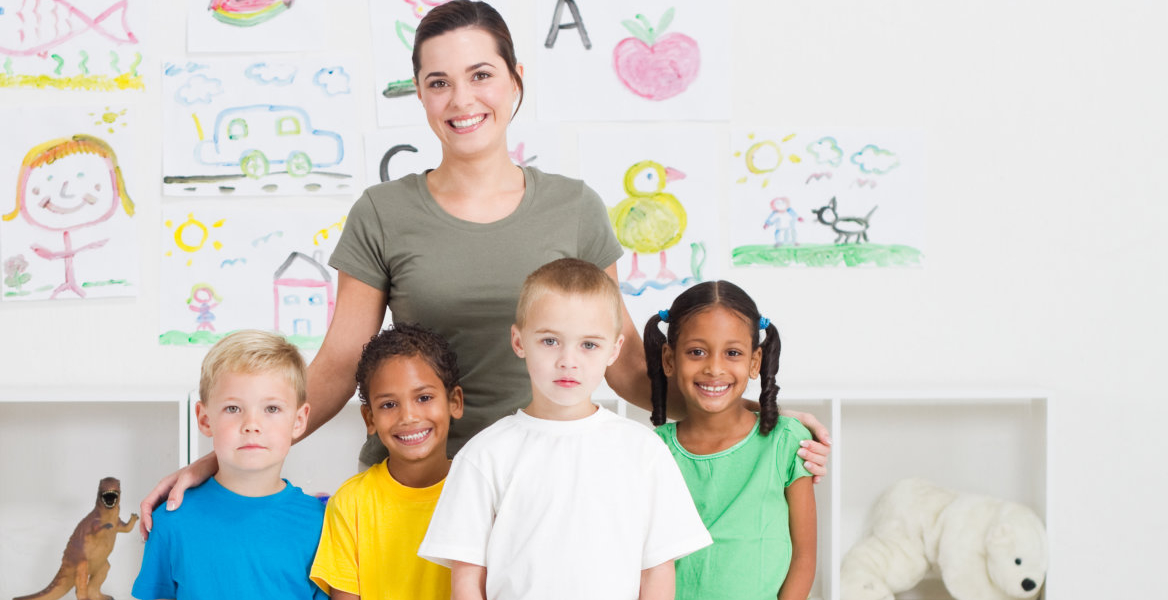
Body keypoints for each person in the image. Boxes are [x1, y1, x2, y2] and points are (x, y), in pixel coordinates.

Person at [141, 0, 830, 527]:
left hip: (551, 485)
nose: (462, 100)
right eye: (439, 82)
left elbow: (623, 367)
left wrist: (749, 412)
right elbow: (336, 365)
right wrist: (227, 458)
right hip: (419, 484)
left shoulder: (576, 208)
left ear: (515, 80)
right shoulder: (382, 212)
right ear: (420, 94)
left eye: (480, 75)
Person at [418, 259, 709, 600]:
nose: (568, 361)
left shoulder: (643, 450)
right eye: (550, 341)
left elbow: (658, 571)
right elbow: (467, 580)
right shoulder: (484, 454)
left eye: (588, 345)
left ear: (614, 349)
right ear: (518, 341)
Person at [644, 281, 817, 599]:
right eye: (697, 352)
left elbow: (804, 557)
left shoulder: (787, 442)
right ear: (669, 359)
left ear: (755, 362)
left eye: (732, 353)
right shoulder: (652, 451)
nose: (714, 368)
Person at [131, 331, 327, 600]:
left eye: (271, 408)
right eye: (233, 408)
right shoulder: (171, 521)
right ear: (204, 419)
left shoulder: (322, 523)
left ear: (299, 420)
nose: (252, 425)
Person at [309, 323, 466, 600]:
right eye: (389, 405)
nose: (408, 417)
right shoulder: (351, 502)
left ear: (454, 401)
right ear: (370, 418)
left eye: (424, 398)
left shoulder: (479, 494)